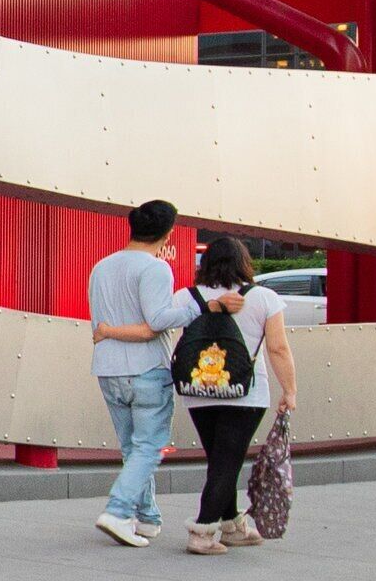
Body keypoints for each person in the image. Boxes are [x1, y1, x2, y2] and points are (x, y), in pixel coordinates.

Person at [84, 199, 239, 549]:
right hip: (145, 369)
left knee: (132, 448)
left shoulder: (102, 267)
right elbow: (156, 322)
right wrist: (199, 307)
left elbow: (101, 325)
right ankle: (119, 511)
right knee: (150, 446)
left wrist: (110, 331)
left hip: (107, 369)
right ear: (168, 234)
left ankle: (149, 518)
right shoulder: (155, 269)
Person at [171, 237, 296, 553]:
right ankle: (202, 532)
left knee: (221, 459)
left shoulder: (187, 297)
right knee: (227, 462)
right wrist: (290, 390)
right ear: (244, 262)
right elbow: (278, 348)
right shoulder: (263, 297)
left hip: (198, 388)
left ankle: (233, 526)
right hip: (245, 394)